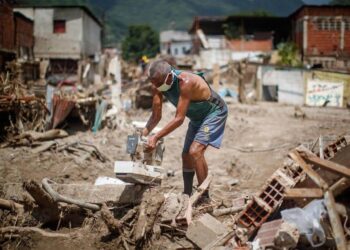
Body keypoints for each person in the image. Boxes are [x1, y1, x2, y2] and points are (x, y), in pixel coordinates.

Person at [142, 60, 228, 198]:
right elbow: (155, 116)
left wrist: (156, 137)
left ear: (169, 76)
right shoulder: (157, 85)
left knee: (195, 151)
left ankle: (204, 197)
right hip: (197, 118)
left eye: (158, 84)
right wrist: (141, 135)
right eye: (154, 84)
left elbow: (179, 119)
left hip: (214, 113)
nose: (156, 87)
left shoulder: (186, 82)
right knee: (186, 155)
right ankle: (187, 195)